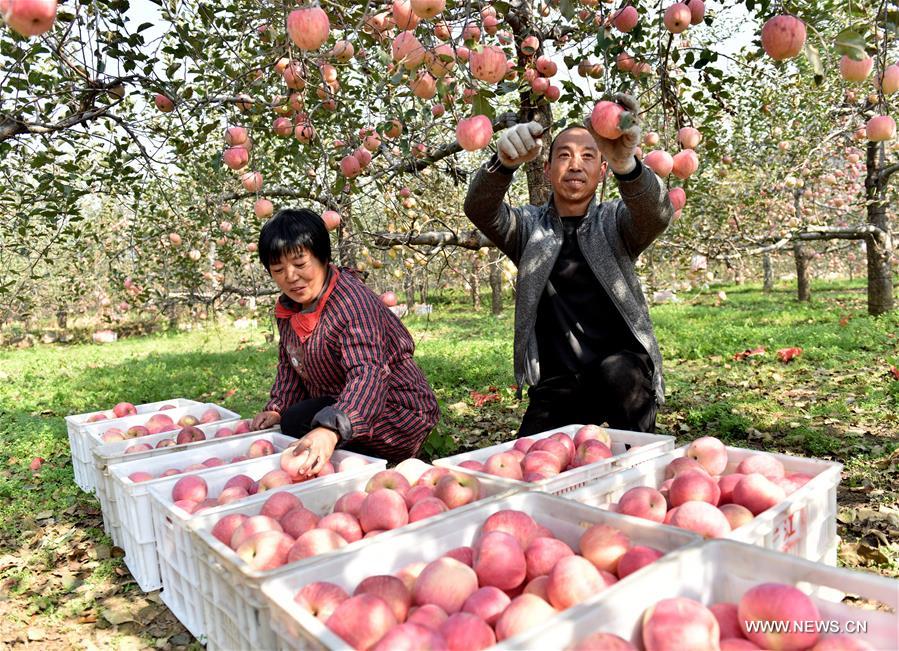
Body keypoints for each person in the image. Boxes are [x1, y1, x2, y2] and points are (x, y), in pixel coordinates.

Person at [463, 94, 673, 435]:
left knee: (619, 378)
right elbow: (480, 209)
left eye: (589, 156)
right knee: (530, 469)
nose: (576, 165)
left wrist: (628, 167)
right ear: (547, 169)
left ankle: (639, 454)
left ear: (602, 170)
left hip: (623, 376)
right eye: (564, 155)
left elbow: (658, 214)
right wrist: (502, 163)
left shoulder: (615, 222)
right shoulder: (529, 229)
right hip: (560, 383)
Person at [250, 208, 440, 470]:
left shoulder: (352, 305)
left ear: (323, 257)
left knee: (301, 423)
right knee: (292, 420)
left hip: (397, 413)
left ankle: (373, 463)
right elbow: (290, 365)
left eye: (300, 264)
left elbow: (369, 374)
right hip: (341, 403)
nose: (291, 277)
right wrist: (277, 408)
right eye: (279, 269)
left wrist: (332, 428)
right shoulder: (290, 307)